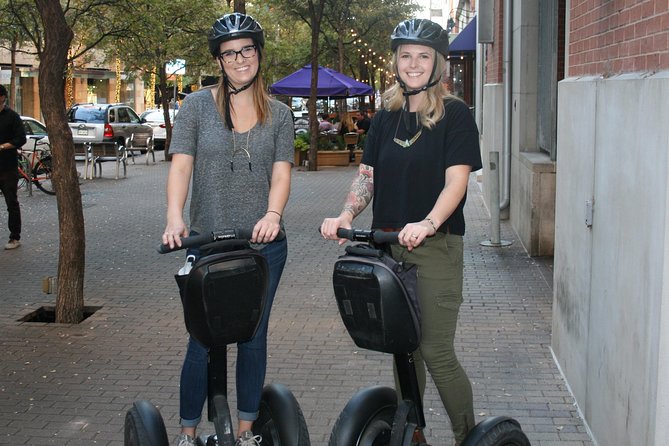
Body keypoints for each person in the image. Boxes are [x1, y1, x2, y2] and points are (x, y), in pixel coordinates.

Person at [320, 18, 481, 446]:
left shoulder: (456, 115)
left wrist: (428, 223)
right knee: (404, 350)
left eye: (423, 56)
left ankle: (470, 437)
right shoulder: (386, 117)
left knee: (435, 351)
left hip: (435, 250)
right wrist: (345, 215)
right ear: (396, 62)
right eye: (406, 55)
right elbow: (367, 176)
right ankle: (415, 437)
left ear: (438, 64)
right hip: (389, 251)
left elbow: (457, 182)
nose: (413, 64)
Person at [161, 13, 294, 446]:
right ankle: (187, 433)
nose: (240, 59)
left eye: (247, 50)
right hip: (207, 240)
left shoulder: (279, 113)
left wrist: (273, 215)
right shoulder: (197, 106)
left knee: (253, 337)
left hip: (262, 246)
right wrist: (175, 217)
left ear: (258, 53)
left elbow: (281, 174)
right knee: (201, 340)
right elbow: (181, 166)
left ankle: (245, 431)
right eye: (230, 52)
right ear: (219, 60)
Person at [0, 85, 27, 250]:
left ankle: (14, 237)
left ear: (2, 98)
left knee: (11, 202)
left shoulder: (12, 117)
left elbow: (21, 139)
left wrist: (3, 146)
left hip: (7, 167)